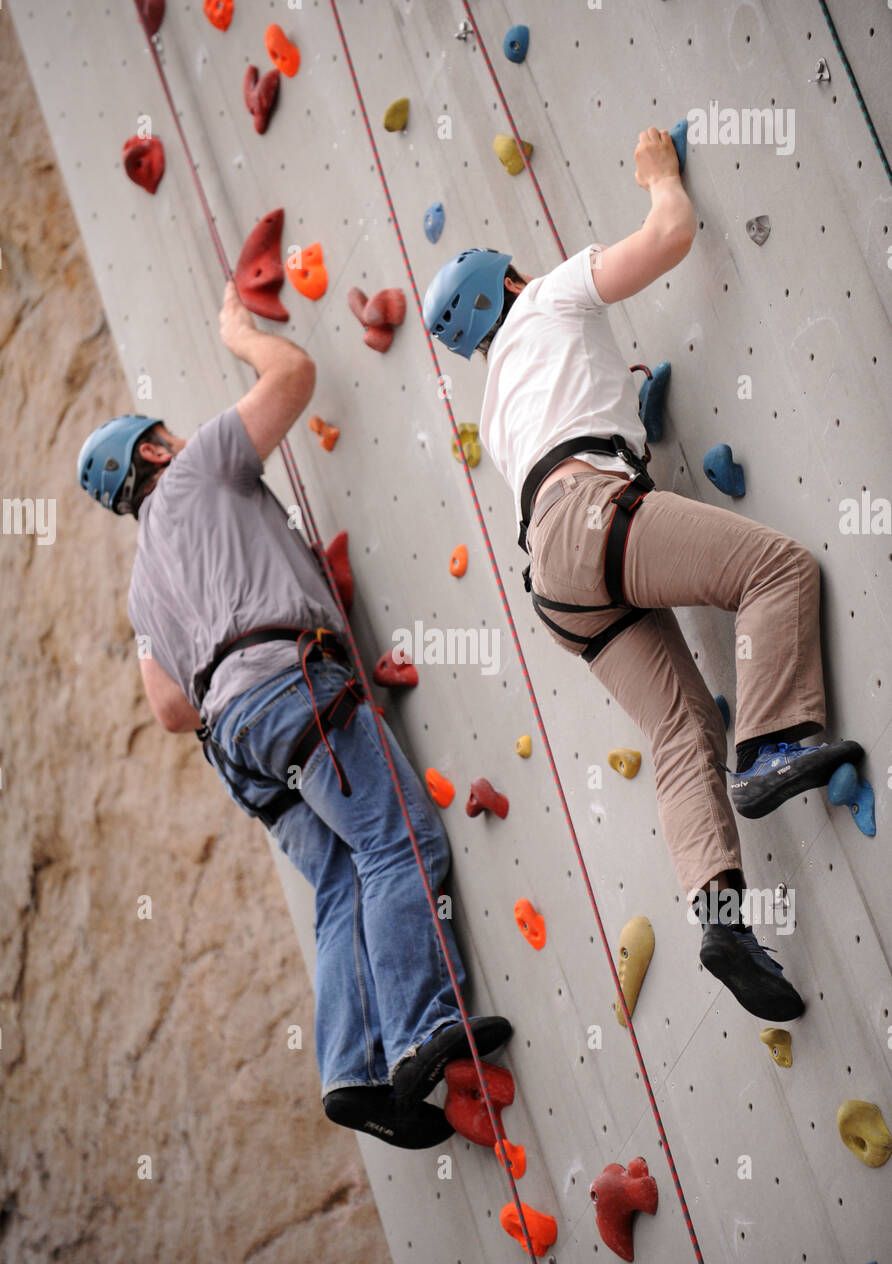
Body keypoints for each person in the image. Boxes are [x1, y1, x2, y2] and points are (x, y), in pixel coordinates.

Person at [422, 126, 864, 1023]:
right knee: (774, 571)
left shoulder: (498, 399)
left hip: (555, 588)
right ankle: (774, 748)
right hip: (593, 518)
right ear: (507, 283)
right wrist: (660, 176)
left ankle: (719, 917)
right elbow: (667, 237)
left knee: (677, 725)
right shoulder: (546, 298)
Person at [77, 279, 511, 1147]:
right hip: (289, 687)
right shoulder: (199, 467)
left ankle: (350, 1068)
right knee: (397, 844)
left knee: (343, 881)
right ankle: (426, 1027)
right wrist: (241, 331)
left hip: (240, 745)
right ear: (157, 454)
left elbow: (168, 708)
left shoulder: (140, 591)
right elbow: (295, 376)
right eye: (165, 437)